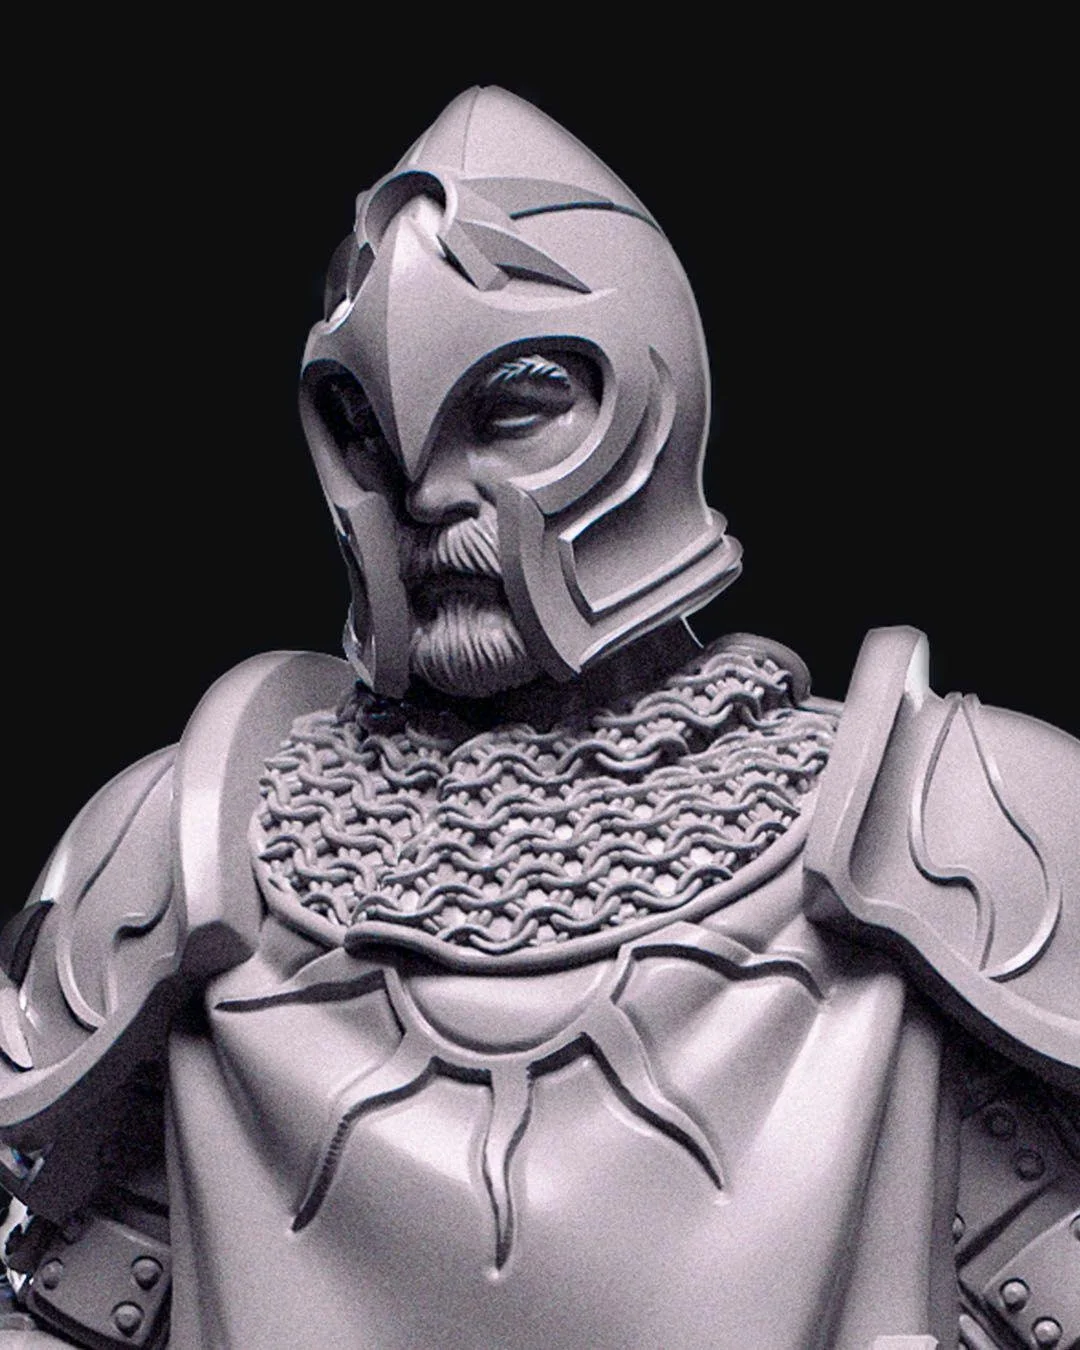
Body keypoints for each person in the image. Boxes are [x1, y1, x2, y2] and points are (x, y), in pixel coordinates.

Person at [0, 87, 1075, 1350]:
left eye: (508, 410)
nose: (428, 496)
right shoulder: (178, 858)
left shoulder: (949, 827)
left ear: (651, 396)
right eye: (370, 433)